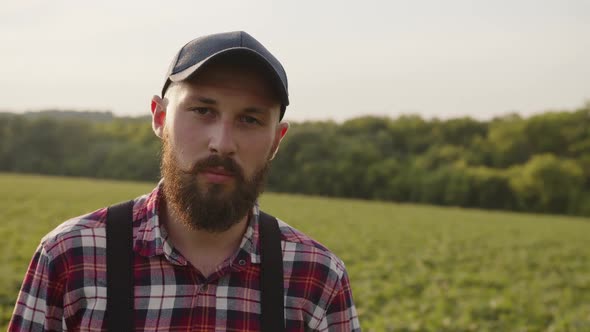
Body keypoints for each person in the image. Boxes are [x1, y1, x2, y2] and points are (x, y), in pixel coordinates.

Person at [9, 31, 360, 331]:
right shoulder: (70, 257)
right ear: (160, 117)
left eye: (250, 120)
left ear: (276, 141)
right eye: (202, 111)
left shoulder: (317, 278)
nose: (222, 143)